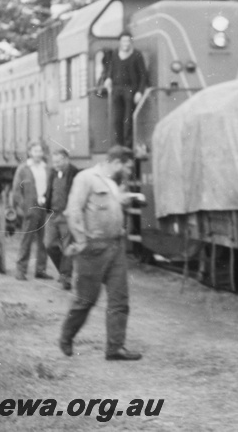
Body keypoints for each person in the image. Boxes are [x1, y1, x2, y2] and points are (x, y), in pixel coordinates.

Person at [58, 145, 144, 360]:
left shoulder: (114, 182)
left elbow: (111, 203)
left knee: (119, 298)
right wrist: (81, 241)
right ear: (116, 163)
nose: (128, 172)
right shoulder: (86, 178)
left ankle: (115, 347)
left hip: (115, 246)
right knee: (86, 300)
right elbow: (73, 211)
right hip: (93, 248)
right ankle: (66, 336)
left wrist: (128, 199)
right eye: (127, 167)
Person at [12, 140, 52, 280]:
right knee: (27, 239)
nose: (38, 154)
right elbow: (16, 191)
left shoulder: (46, 168)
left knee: (43, 240)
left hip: (43, 207)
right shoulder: (23, 169)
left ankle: (40, 270)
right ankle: (20, 270)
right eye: (35, 151)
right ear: (29, 152)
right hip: (30, 208)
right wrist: (24, 207)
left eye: (40, 151)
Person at [102, 32, 149, 148]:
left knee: (128, 121)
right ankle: (119, 147)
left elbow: (143, 75)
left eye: (128, 41)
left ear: (131, 42)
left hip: (131, 90)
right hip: (117, 90)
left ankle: (128, 148)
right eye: (124, 41)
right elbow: (111, 70)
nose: (126, 44)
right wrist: (108, 79)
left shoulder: (137, 55)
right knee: (117, 120)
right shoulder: (114, 54)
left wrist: (139, 92)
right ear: (120, 42)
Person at [43, 148, 81, 290]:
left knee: (67, 247)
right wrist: (44, 199)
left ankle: (66, 278)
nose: (56, 164)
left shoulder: (75, 173)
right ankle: (64, 272)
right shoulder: (53, 172)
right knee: (49, 245)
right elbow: (49, 190)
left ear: (66, 159)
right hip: (52, 215)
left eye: (59, 161)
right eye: (54, 162)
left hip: (67, 216)